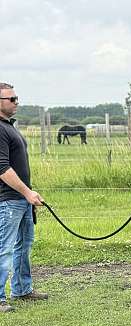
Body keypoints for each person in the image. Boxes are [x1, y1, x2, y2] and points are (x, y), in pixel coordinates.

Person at [0, 82, 48, 312]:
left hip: (21, 199)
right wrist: (27, 193)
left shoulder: (8, 126)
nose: (16, 102)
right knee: (5, 248)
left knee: (23, 245)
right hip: (8, 200)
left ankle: (21, 289)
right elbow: (2, 168)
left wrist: (28, 194)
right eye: (11, 99)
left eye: (16, 98)